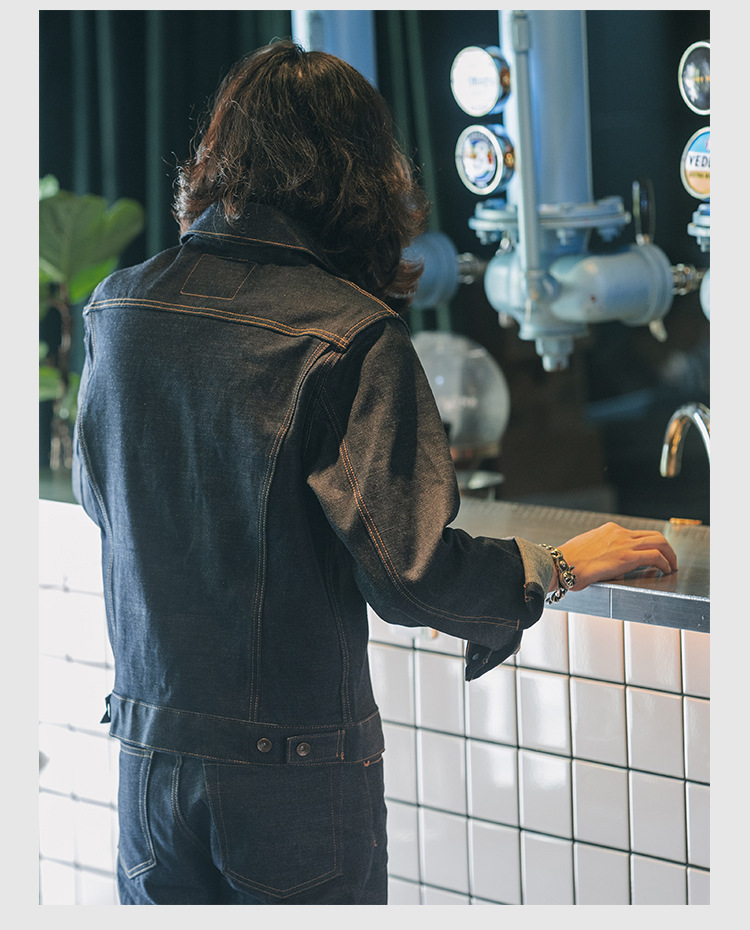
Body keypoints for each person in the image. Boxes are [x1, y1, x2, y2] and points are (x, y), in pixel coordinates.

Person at [72, 38, 678, 906]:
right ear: (360, 176)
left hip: (146, 769)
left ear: (216, 158)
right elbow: (414, 572)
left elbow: (105, 500)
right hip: (293, 785)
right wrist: (557, 565)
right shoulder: (349, 334)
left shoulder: (119, 308)